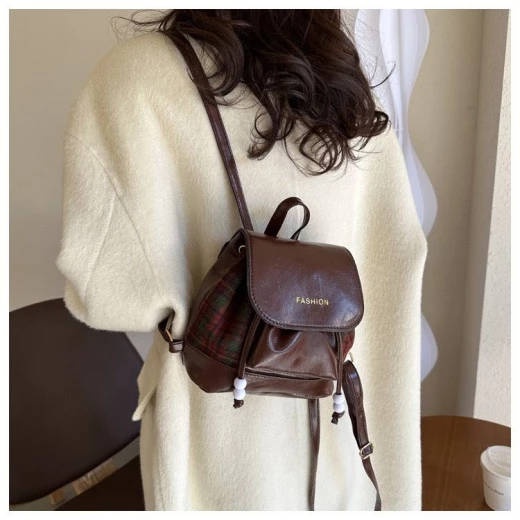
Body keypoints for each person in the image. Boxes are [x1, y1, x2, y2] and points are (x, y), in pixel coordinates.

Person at [56, 9, 427, 511]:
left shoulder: (132, 78)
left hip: (217, 443)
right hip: (348, 433)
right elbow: (397, 253)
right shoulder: (346, 81)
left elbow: (101, 295)